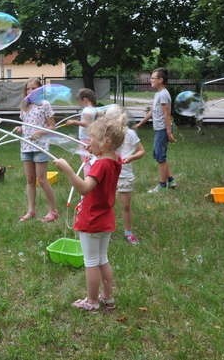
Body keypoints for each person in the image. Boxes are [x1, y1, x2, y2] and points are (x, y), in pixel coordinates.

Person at [54, 113, 126, 312]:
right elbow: (103, 161)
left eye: (92, 138)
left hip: (92, 219)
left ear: (106, 141)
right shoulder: (114, 160)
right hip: (105, 218)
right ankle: (108, 298)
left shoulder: (101, 164)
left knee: (91, 262)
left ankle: (92, 301)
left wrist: (67, 169)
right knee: (102, 259)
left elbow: (85, 188)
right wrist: (94, 152)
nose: (88, 141)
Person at [15, 77, 59, 223]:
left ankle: (53, 211)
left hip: (41, 146)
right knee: (30, 180)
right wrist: (19, 128)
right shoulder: (24, 105)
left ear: (40, 90)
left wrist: (41, 132)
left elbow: (53, 126)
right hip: (26, 146)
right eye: (28, 88)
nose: (30, 91)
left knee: (42, 179)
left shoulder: (44, 105)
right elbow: (25, 124)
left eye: (33, 88)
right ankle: (31, 211)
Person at [134, 68, 177, 193]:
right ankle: (171, 180)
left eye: (153, 78)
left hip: (162, 129)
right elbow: (152, 111)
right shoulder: (158, 94)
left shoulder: (163, 94)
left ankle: (162, 186)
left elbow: (166, 114)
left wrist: (168, 132)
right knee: (159, 155)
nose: (150, 80)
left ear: (160, 80)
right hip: (159, 129)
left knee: (160, 157)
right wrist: (140, 123)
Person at [107, 106, 145, 245]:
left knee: (126, 206)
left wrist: (131, 158)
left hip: (124, 174)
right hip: (109, 173)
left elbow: (141, 151)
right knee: (108, 205)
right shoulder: (107, 134)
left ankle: (128, 232)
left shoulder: (130, 134)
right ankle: (107, 231)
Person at [65, 88, 98, 175]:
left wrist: (74, 122)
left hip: (85, 140)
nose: (79, 103)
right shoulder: (93, 109)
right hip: (92, 138)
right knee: (93, 160)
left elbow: (87, 124)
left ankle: (88, 180)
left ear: (85, 99)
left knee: (86, 162)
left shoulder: (86, 111)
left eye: (79, 101)